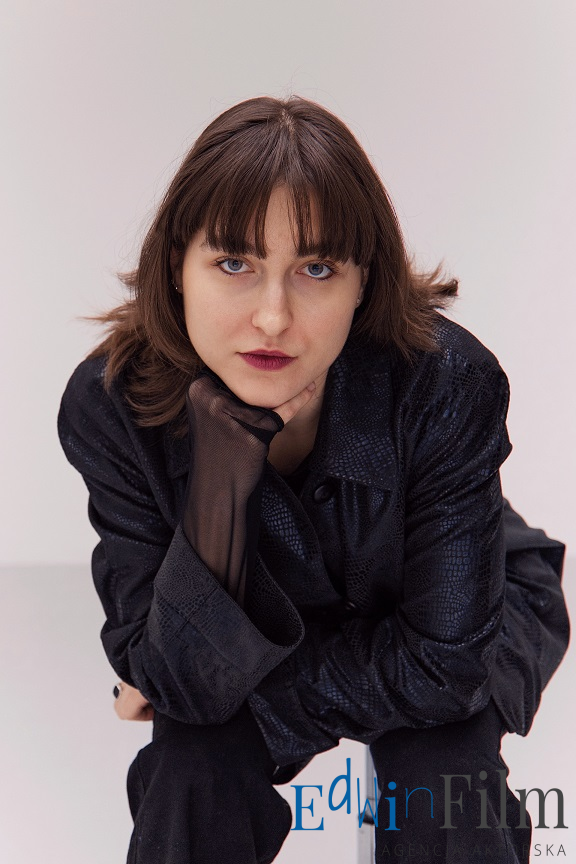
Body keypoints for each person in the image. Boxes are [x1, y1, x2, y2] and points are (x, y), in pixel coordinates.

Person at [57, 95, 569, 864]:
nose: (272, 317)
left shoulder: (448, 382)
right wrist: (222, 478)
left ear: (364, 283)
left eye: (317, 268)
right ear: (177, 269)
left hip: (453, 612)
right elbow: (168, 673)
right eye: (234, 263)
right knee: (193, 768)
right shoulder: (112, 405)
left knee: (442, 771)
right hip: (267, 629)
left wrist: (227, 689)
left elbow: (443, 666)